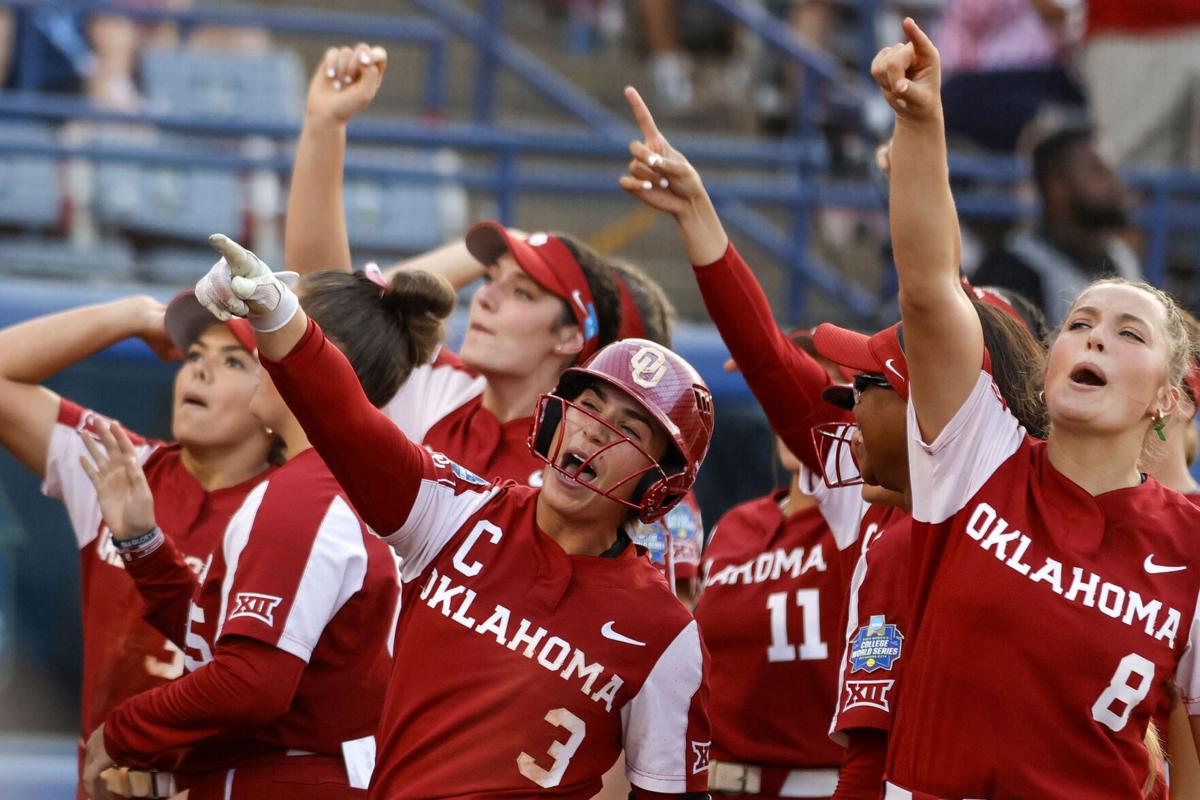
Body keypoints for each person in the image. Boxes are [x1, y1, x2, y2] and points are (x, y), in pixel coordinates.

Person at [192, 234, 715, 798]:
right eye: (589, 407)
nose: (593, 432)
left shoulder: (666, 635)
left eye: (629, 431)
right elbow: (347, 418)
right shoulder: (459, 511)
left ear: (659, 489)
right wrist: (276, 310)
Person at [867, 18, 1200, 796]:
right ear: (1048, 362)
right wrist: (923, 122)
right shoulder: (978, 452)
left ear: (1165, 396)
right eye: (1079, 324)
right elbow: (928, 285)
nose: (1093, 338)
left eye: (1127, 334)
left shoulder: (1193, 547)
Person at [78, 265, 451, 797]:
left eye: (267, 334)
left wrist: (120, 732)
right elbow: (225, 641)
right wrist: (144, 545)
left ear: (313, 353)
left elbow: (252, 684)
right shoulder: (342, 479)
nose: (256, 352)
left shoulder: (309, 491)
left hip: (291, 777)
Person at [284, 43, 625, 488]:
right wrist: (325, 125)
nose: (484, 297)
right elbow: (327, 312)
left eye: (522, 291)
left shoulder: (580, 473)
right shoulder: (439, 388)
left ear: (570, 335)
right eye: (490, 279)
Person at [0, 294, 274, 798]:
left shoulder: (297, 510)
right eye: (194, 356)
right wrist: (130, 317)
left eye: (233, 360)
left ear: (278, 399)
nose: (200, 371)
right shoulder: (124, 465)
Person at [695, 434, 847, 799]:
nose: (804, 419)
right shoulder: (733, 525)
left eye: (828, 392)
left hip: (824, 786)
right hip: (710, 784)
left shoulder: (879, 523)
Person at [970, 124, 1141, 325]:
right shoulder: (1011, 272)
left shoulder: (1122, 258)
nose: (1114, 184)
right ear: (1056, 187)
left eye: (1112, 172)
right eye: (1098, 172)